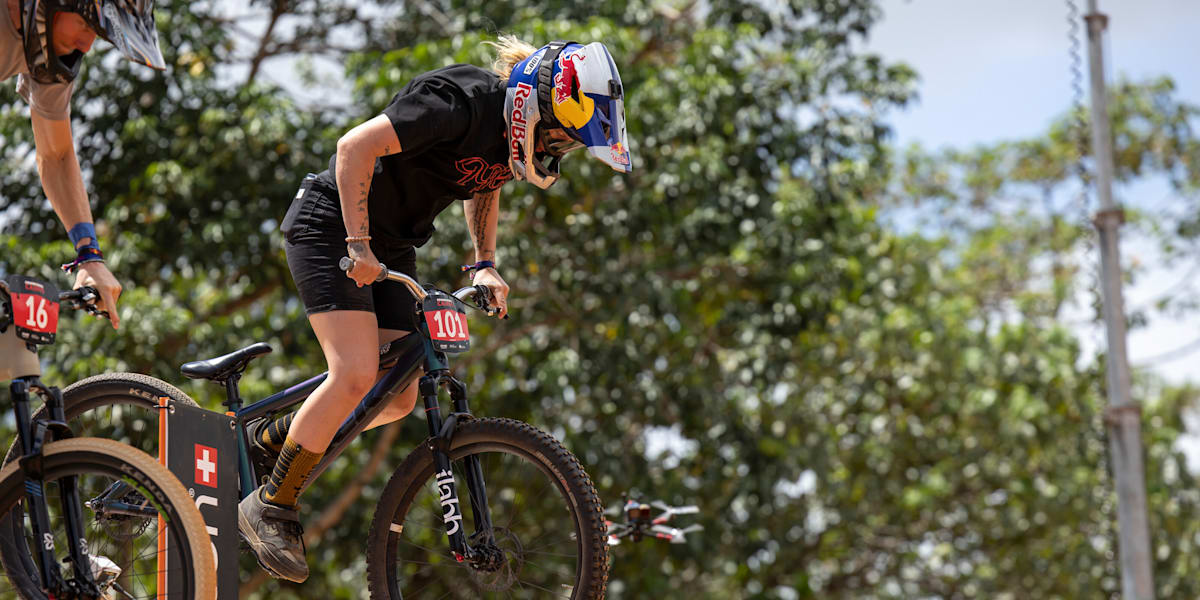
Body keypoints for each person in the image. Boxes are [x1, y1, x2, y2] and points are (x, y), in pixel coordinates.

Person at [238, 36, 632, 582]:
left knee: (396, 398)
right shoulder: (457, 100)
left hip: (392, 245)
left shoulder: (507, 137)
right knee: (354, 374)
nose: (557, 150)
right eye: (561, 137)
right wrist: (357, 247)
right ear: (533, 107)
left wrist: (484, 263)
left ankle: (272, 441)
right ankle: (271, 505)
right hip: (332, 226)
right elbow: (354, 147)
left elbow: (485, 184)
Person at [2, 0, 165, 328]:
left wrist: (89, 257)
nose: (88, 44)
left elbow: (57, 155)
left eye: (99, 34)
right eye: (87, 26)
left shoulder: (49, 53)